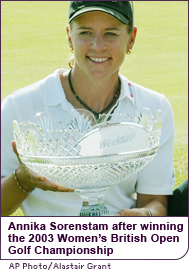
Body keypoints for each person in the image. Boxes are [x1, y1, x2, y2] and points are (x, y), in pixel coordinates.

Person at [1, 1, 188, 217]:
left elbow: (155, 201)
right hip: (48, 245)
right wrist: (22, 179)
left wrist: (146, 216)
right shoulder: (20, 107)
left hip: (123, 245)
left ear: (131, 39)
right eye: (86, 32)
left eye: (110, 34)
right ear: (70, 37)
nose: (97, 45)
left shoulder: (153, 108)